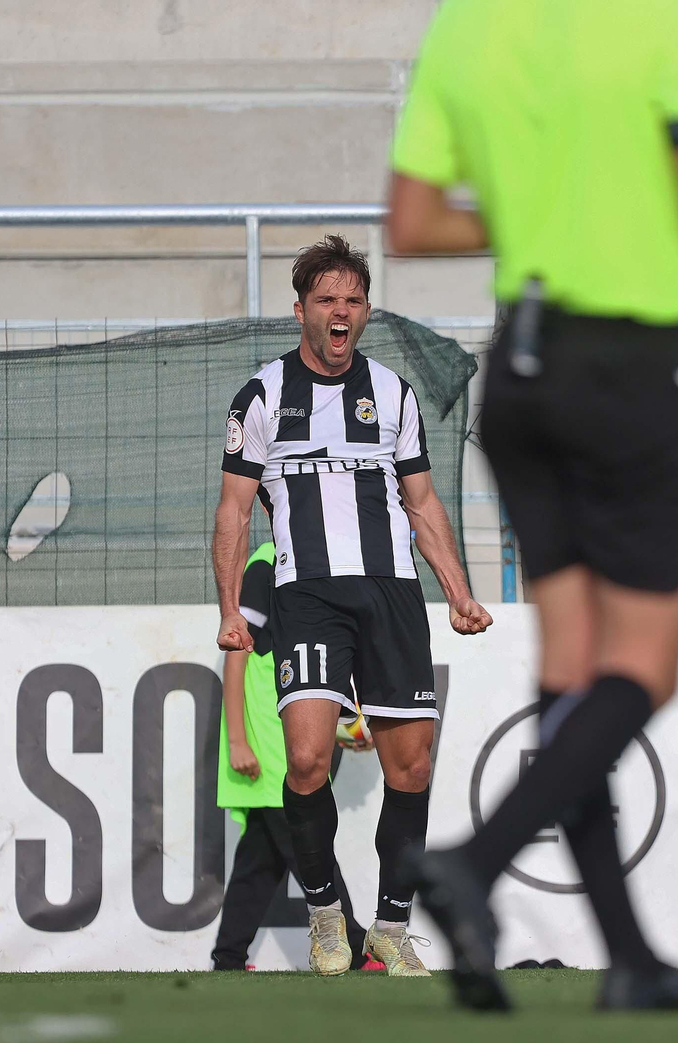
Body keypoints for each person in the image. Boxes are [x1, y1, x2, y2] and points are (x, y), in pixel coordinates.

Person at [387, 0, 678, 1014]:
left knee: (571, 679)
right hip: (634, 369)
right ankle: (473, 860)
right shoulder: (661, 18)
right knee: (637, 673)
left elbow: (412, 221)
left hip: (522, 373)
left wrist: (536, 211)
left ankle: (627, 955)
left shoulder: (466, 26)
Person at [212, 236, 493, 977]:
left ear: (366, 311)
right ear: (301, 309)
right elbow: (234, 514)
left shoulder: (393, 394)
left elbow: (422, 501)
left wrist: (458, 591)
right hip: (307, 593)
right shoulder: (264, 395)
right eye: (327, 300)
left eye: (354, 300)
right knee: (305, 759)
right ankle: (326, 915)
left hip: (391, 591)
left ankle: (393, 928)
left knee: (412, 766)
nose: (342, 312)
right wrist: (230, 607)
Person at [212, 539, 376, 973]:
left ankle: (228, 959)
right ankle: (356, 950)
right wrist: (238, 741)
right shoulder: (268, 563)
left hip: (290, 732)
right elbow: (237, 650)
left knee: (260, 862)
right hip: (270, 740)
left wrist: (341, 725)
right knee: (312, 842)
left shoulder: (314, 561)